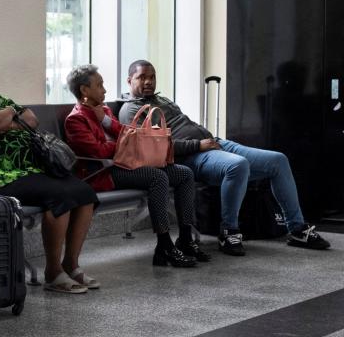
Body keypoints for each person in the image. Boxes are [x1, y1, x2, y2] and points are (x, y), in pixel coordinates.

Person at [119, 60, 330, 256]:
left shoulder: (161, 100)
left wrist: (207, 140)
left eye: (152, 77)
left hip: (213, 143)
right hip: (191, 155)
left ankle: (297, 229)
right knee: (237, 166)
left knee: (278, 161)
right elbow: (153, 148)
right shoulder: (132, 110)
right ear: (130, 80)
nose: (149, 81)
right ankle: (229, 232)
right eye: (142, 77)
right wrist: (198, 145)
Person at [0, 52, 98, 293]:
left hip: (32, 170)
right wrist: (7, 114)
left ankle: (71, 263)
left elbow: (31, 119)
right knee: (60, 197)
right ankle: (53, 272)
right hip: (1, 177)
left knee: (84, 192)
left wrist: (5, 120)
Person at [63, 65, 207, 267]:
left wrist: (105, 122)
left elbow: (125, 132)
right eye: (99, 85)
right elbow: (99, 152)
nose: (104, 90)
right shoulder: (76, 119)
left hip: (125, 164)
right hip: (103, 174)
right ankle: (164, 244)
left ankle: (185, 238)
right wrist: (123, 143)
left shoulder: (103, 111)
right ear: (84, 90)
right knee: (157, 177)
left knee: (184, 173)